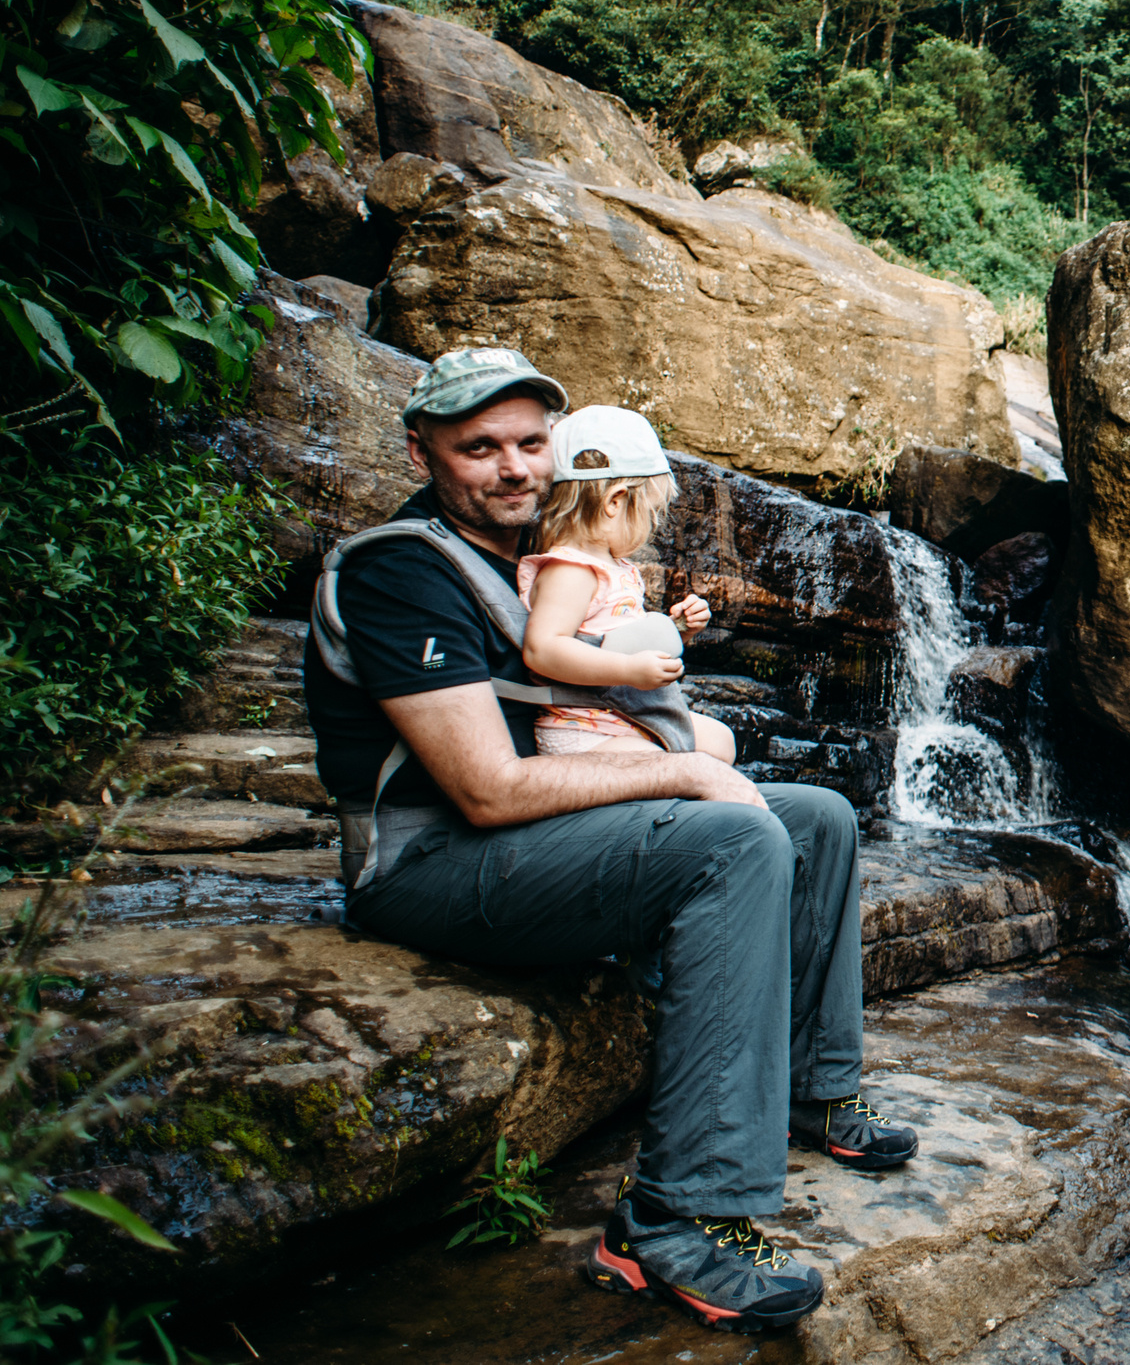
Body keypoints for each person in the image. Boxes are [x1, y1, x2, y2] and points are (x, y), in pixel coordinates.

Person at [301, 347, 917, 1337]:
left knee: (817, 817)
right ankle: (676, 1220)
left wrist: (686, 729)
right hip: (430, 862)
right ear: (422, 451)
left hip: (555, 832)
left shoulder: (544, 561)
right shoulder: (398, 572)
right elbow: (487, 789)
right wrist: (686, 769)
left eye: (532, 443)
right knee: (735, 841)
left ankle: (813, 1093)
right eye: (479, 448)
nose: (514, 468)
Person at [514, 403, 732, 762]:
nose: (651, 526)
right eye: (649, 512)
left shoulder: (615, 567)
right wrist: (630, 671)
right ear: (615, 502)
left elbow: (612, 636)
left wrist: (678, 631)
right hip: (585, 730)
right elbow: (543, 650)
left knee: (720, 741)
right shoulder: (571, 570)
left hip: (622, 717)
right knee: (683, 769)